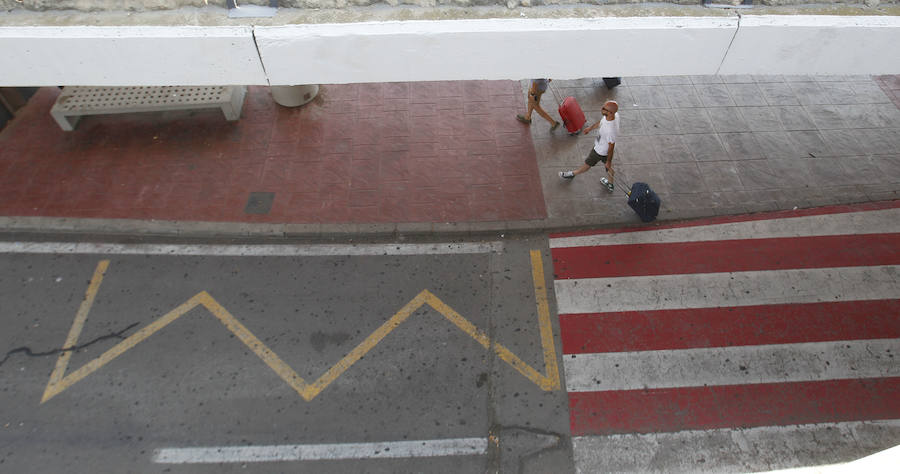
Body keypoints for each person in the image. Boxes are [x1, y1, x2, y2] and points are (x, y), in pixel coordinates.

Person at [559, 100, 619, 190]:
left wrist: (608, 161)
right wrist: (590, 128)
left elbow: (611, 146)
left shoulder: (610, 130)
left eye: (604, 108)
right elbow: (601, 122)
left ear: (610, 112)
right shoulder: (614, 116)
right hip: (603, 149)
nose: (601, 108)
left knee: (587, 165)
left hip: (600, 151)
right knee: (608, 167)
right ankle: (610, 184)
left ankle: (572, 174)